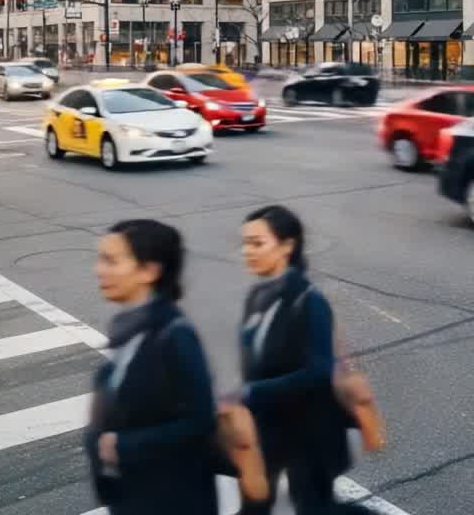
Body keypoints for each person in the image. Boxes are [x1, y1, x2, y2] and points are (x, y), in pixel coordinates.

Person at [84, 219, 219, 515]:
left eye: (111, 260)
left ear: (149, 271)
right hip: (135, 497)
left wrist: (120, 446)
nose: (98, 269)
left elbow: (200, 423)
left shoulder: (175, 336)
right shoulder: (127, 325)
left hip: (173, 502)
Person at [231, 205, 351, 515]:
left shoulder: (309, 301)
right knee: (254, 505)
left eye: (257, 243)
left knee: (316, 507)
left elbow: (319, 372)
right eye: (245, 243)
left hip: (309, 431)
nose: (247, 251)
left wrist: (254, 392)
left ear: (287, 246)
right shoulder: (256, 297)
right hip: (269, 428)